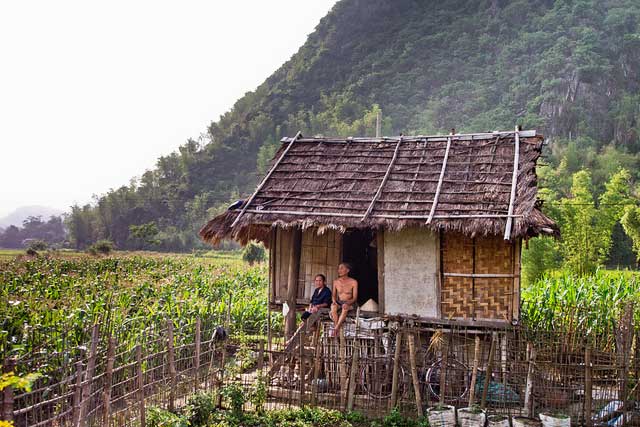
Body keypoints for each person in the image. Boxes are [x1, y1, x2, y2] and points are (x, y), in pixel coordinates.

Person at [330, 262, 358, 335]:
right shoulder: (336, 282)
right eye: (339, 268)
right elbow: (333, 295)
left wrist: (347, 303)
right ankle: (337, 326)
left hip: (350, 302)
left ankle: (336, 328)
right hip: (339, 302)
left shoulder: (353, 282)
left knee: (345, 308)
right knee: (333, 307)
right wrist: (334, 301)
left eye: (341, 268)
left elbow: (354, 298)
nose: (339, 270)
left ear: (347, 270)